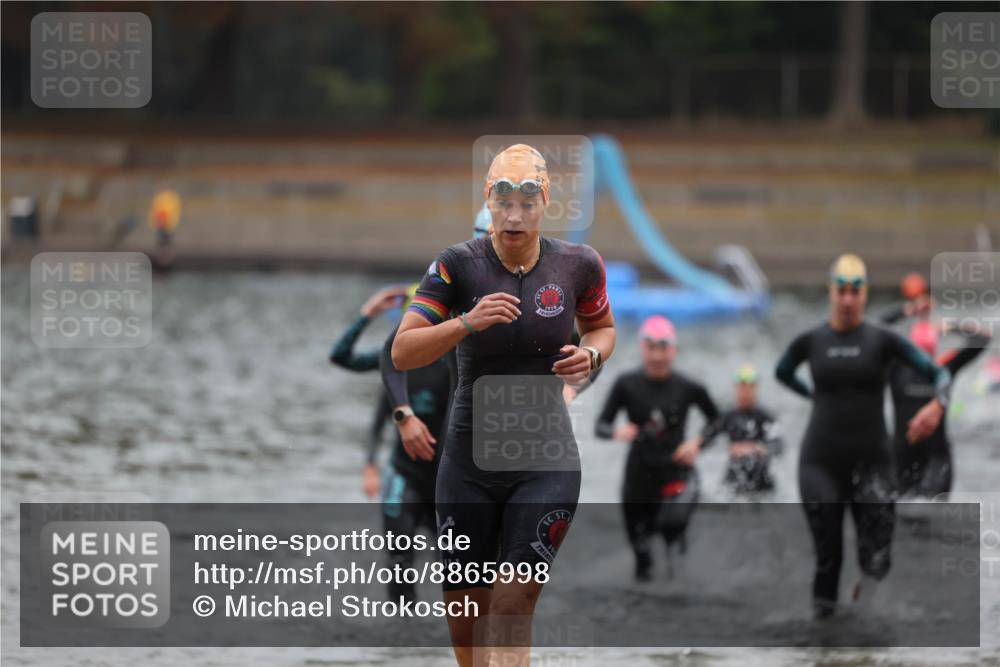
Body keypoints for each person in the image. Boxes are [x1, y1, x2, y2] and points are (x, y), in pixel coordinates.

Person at [391, 143, 616, 667]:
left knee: (513, 604)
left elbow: (602, 328)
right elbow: (402, 351)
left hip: (546, 463)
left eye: (527, 203)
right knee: (468, 628)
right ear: (488, 199)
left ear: (546, 202)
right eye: (503, 202)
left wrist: (590, 355)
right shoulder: (457, 266)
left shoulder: (579, 265)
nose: (514, 216)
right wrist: (466, 322)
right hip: (467, 466)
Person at [774, 253, 951, 619]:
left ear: (865, 293)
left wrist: (937, 405)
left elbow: (940, 375)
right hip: (820, 464)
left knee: (877, 560)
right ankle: (825, 638)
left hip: (874, 465)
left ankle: (864, 623)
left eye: (855, 290)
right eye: (841, 290)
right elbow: (782, 372)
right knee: (829, 558)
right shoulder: (811, 340)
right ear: (831, 292)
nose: (848, 298)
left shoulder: (883, 340)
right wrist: (813, 395)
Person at [595, 315, 719, 581]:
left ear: (673, 350)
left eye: (663, 348)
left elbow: (718, 421)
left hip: (676, 475)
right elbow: (601, 426)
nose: (657, 356)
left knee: (672, 535)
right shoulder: (626, 384)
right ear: (643, 348)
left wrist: (697, 443)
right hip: (638, 478)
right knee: (642, 559)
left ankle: (680, 590)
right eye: (651, 348)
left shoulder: (688, 387)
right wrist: (616, 431)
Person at [890, 320, 991, 498]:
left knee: (933, 513)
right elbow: (868, 330)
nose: (923, 359)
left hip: (936, 460)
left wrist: (950, 326)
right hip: (902, 459)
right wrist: (904, 312)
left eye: (928, 352)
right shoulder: (895, 369)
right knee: (901, 513)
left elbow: (983, 338)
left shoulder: (945, 368)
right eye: (918, 352)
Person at [704, 363, 784, 496]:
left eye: (749, 388)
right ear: (735, 389)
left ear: (755, 389)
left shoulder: (766, 417)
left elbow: (778, 446)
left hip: (761, 481)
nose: (744, 393)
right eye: (741, 388)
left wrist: (754, 448)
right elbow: (706, 437)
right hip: (733, 480)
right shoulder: (728, 416)